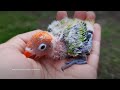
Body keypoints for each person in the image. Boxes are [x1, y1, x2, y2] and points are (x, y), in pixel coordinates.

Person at [0, 11, 101, 79]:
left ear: (50, 46)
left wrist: (80, 58)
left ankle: (82, 59)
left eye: (42, 47)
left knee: (79, 49)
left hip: (81, 29)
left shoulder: (72, 44)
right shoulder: (54, 31)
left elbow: (87, 31)